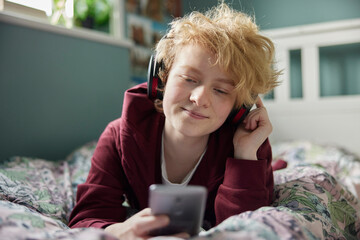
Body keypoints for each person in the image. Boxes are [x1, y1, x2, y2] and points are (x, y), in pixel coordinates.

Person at [68, 2, 280, 239]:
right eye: (189, 78)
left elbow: (248, 229)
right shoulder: (117, 136)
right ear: (161, 79)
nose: (199, 98)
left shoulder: (251, 146)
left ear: (239, 109)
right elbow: (87, 217)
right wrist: (119, 231)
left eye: (221, 91)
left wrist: (245, 157)